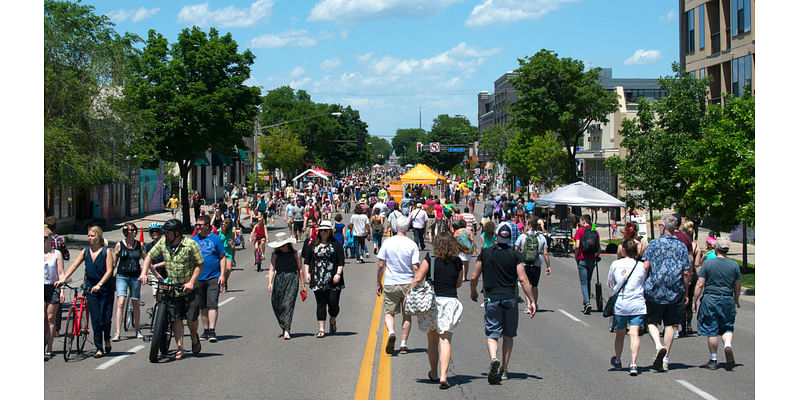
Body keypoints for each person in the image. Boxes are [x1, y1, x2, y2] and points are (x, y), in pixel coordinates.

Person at [470, 223, 535, 384]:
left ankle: (494, 358)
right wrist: (532, 300)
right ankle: (505, 368)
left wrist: (473, 291)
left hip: (492, 297)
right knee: (508, 334)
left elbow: (474, 276)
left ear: (497, 237)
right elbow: (523, 278)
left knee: (492, 333)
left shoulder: (486, 253)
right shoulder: (515, 255)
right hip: (510, 298)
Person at [139, 219, 205, 360]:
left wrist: (191, 282)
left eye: (168, 233)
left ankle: (194, 337)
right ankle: (180, 347)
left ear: (177, 233)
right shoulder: (164, 243)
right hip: (173, 288)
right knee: (176, 318)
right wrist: (144, 272)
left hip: (188, 287)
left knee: (191, 319)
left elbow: (200, 264)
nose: (165, 235)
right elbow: (149, 256)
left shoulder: (190, 245)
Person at [411, 232, 465, 389]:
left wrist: (409, 294)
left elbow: (418, 278)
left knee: (432, 340)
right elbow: (459, 283)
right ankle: (444, 376)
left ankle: (434, 373)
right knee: (445, 340)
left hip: (432, 302)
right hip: (450, 301)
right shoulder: (457, 261)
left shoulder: (430, 259)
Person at [641, 214, 691, 372]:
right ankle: (666, 358)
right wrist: (686, 292)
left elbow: (646, 266)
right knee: (670, 325)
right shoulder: (681, 246)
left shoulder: (654, 244)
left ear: (663, 227)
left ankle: (658, 345)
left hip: (655, 289)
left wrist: (642, 284)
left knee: (651, 322)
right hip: (674, 290)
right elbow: (687, 271)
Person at [56, 226, 115, 358]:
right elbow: (74, 265)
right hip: (90, 288)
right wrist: (63, 279)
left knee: (105, 318)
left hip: (105, 288)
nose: (89, 238)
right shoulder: (86, 251)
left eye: (92, 236)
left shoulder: (106, 251)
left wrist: (100, 284)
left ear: (99, 237)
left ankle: (107, 338)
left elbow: (109, 271)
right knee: (96, 319)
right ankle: (99, 347)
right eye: (88, 236)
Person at [692, 237, 741, 370]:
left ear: (716, 248)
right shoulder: (734, 265)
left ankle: (713, 359)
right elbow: (737, 286)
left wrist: (694, 301)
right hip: (727, 298)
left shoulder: (708, 264)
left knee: (712, 329)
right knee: (727, 326)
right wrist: (736, 299)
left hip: (711, 298)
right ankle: (727, 345)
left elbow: (700, 284)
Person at [376, 216, 419, 355]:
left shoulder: (388, 242)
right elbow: (415, 267)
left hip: (391, 281)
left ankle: (391, 333)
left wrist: (378, 282)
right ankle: (403, 343)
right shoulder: (412, 244)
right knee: (407, 314)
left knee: (389, 312)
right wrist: (418, 283)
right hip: (407, 282)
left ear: (396, 227)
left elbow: (381, 265)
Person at [608, 239, 648, 376]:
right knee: (634, 333)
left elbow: (611, 282)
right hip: (637, 303)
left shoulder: (616, 264)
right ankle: (633, 363)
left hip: (622, 303)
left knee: (620, 334)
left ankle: (618, 359)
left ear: (623, 250)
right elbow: (643, 280)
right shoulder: (641, 266)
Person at [303, 221, 346, 338]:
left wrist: (338, 274)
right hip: (318, 277)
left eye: (326, 230)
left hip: (333, 278)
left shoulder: (336, 244)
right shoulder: (313, 245)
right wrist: (307, 273)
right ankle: (321, 329)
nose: (323, 233)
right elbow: (307, 261)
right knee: (320, 303)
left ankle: (333, 319)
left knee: (333, 303)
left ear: (330, 232)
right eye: (321, 230)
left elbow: (341, 260)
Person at [191, 215, 226, 343]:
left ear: (207, 225)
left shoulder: (215, 239)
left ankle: (212, 330)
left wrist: (222, 275)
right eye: (197, 225)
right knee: (202, 306)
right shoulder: (193, 240)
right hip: (198, 278)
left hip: (213, 276)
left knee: (212, 303)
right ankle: (205, 330)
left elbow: (222, 257)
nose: (198, 227)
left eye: (200, 225)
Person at [267, 232, 305, 340]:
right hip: (279, 279)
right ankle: (283, 325)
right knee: (277, 304)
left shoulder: (295, 254)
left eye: (283, 245)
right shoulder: (275, 255)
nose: (281, 247)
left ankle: (287, 330)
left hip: (292, 278)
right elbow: (272, 269)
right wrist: (270, 282)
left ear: (287, 244)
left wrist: (302, 285)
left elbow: (300, 269)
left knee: (288, 304)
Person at [112, 223, 145, 341]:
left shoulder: (139, 245)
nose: (133, 232)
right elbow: (113, 263)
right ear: (126, 232)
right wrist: (108, 275)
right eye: (130, 230)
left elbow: (147, 260)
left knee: (135, 301)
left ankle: (137, 329)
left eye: (134, 230)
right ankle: (117, 332)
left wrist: (151, 273)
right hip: (122, 276)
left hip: (135, 276)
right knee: (121, 302)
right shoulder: (119, 245)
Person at [515, 218, 551, 311]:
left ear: (530, 225)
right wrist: (548, 265)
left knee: (527, 284)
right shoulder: (541, 237)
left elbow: (516, 249)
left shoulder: (523, 236)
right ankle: (534, 303)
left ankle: (528, 305)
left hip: (525, 262)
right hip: (537, 262)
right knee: (534, 285)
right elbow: (545, 253)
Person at [45, 217, 69, 338]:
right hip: (52, 275)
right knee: (55, 311)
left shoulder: (54, 241)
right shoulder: (59, 239)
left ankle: (51, 333)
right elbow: (67, 255)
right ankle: (56, 330)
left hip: (54, 276)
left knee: (52, 310)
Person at [44, 225, 65, 359]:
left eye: (45, 237)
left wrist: (61, 290)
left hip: (53, 287)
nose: (42, 240)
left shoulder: (56, 254)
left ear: (50, 238)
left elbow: (61, 274)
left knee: (51, 318)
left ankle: (50, 346)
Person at [574, 215, 600, 315]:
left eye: (580, 221)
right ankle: (587, 300)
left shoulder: (580, 231)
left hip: (582, 258)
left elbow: (577, 245)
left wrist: (576, 256)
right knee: (588, 280)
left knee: (583, 282)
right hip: (592, 259)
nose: (580, 223)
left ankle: (587, 302)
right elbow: (598, 247)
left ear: (584, 221)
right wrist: (596, 256)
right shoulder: (595, 231)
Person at [218, 216, 234, 290]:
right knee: (222, 269)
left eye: (225, 224)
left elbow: (233, 240)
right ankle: (222, 283)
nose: (223, 225)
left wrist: (232, 242)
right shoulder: (219, 231)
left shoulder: (231, 232)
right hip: (221, 252)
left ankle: (225, 281)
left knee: (228, 269)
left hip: (228, 252)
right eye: (222, 224)